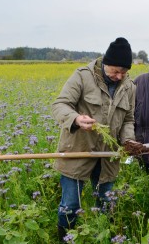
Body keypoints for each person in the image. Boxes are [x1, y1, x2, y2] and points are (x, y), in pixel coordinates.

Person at [52, 37, 136, 241]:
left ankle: (100, 236)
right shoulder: (82, 76)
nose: (119, 76)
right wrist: (76, 118)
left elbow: (128, 119)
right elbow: (60, 105)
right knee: (71, 204)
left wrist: (129, 141)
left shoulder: (129, 87)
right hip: (78, 151)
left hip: (108, 156)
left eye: (123, 72)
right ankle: (65, 237)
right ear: (105, 63)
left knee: (105, 202)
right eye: (115, 71)